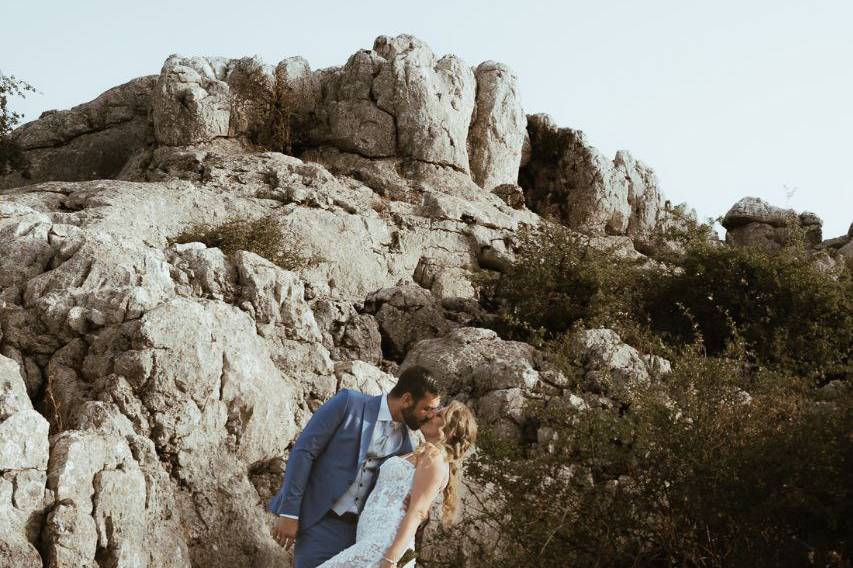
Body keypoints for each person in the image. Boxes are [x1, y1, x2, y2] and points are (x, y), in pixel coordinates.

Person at [268, 365, 443, 568]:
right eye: (427, 408)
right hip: (319, 520)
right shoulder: (349, 403)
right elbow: (304, 452)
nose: (430, 415)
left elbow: (416, 492)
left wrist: (419, 505)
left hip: (362, 536)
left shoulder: (407, 444)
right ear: (406, 399)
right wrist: (290, 512)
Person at [318, 400, 478, 567]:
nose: (430, 414)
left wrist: (390, 560)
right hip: (370, 540)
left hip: (384, 546)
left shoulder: (435, 459)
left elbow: (417, 512)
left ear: (450, 431)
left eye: (438, 415)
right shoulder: (421, 453)